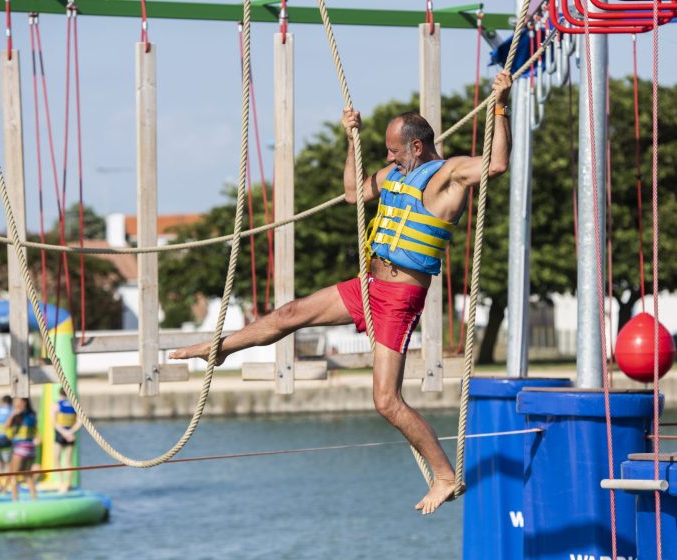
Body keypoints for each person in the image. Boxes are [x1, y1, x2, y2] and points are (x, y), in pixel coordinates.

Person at [170, 70, 513, 515]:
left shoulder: (448, 174)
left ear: (416, 145)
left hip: (399, 298)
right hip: (367, 285)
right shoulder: (393, 174)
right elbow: (353, 193)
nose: (387, 156)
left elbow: (497, 165)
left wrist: (499, 106)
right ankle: (220, 350)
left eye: (393, 148)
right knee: (289, 313)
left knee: (385, 401)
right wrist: (352, 141)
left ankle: (445, 476)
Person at [6, 397, 40, 501]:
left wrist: (12, 415)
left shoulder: (18, 415)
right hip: (31, 449)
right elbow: (36, 433)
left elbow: (6, 427)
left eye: (17, 401)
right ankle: (34, 499)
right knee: (28, 476)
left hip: (20, 448)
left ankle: (15, 500)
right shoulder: (32, 415)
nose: (15, 403)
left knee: (13, 476)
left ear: (23, 403)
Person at [52, 387, 81, 493]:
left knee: (57, 459)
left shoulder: (56, 405)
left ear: (59, 394)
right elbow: (80, 422)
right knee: (68, 461)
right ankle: (67, 485)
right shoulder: (74, 405)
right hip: (70, 435)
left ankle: (62, 484)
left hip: (60, 434)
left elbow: (54, 422)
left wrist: (64, 433)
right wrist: (71, 432)